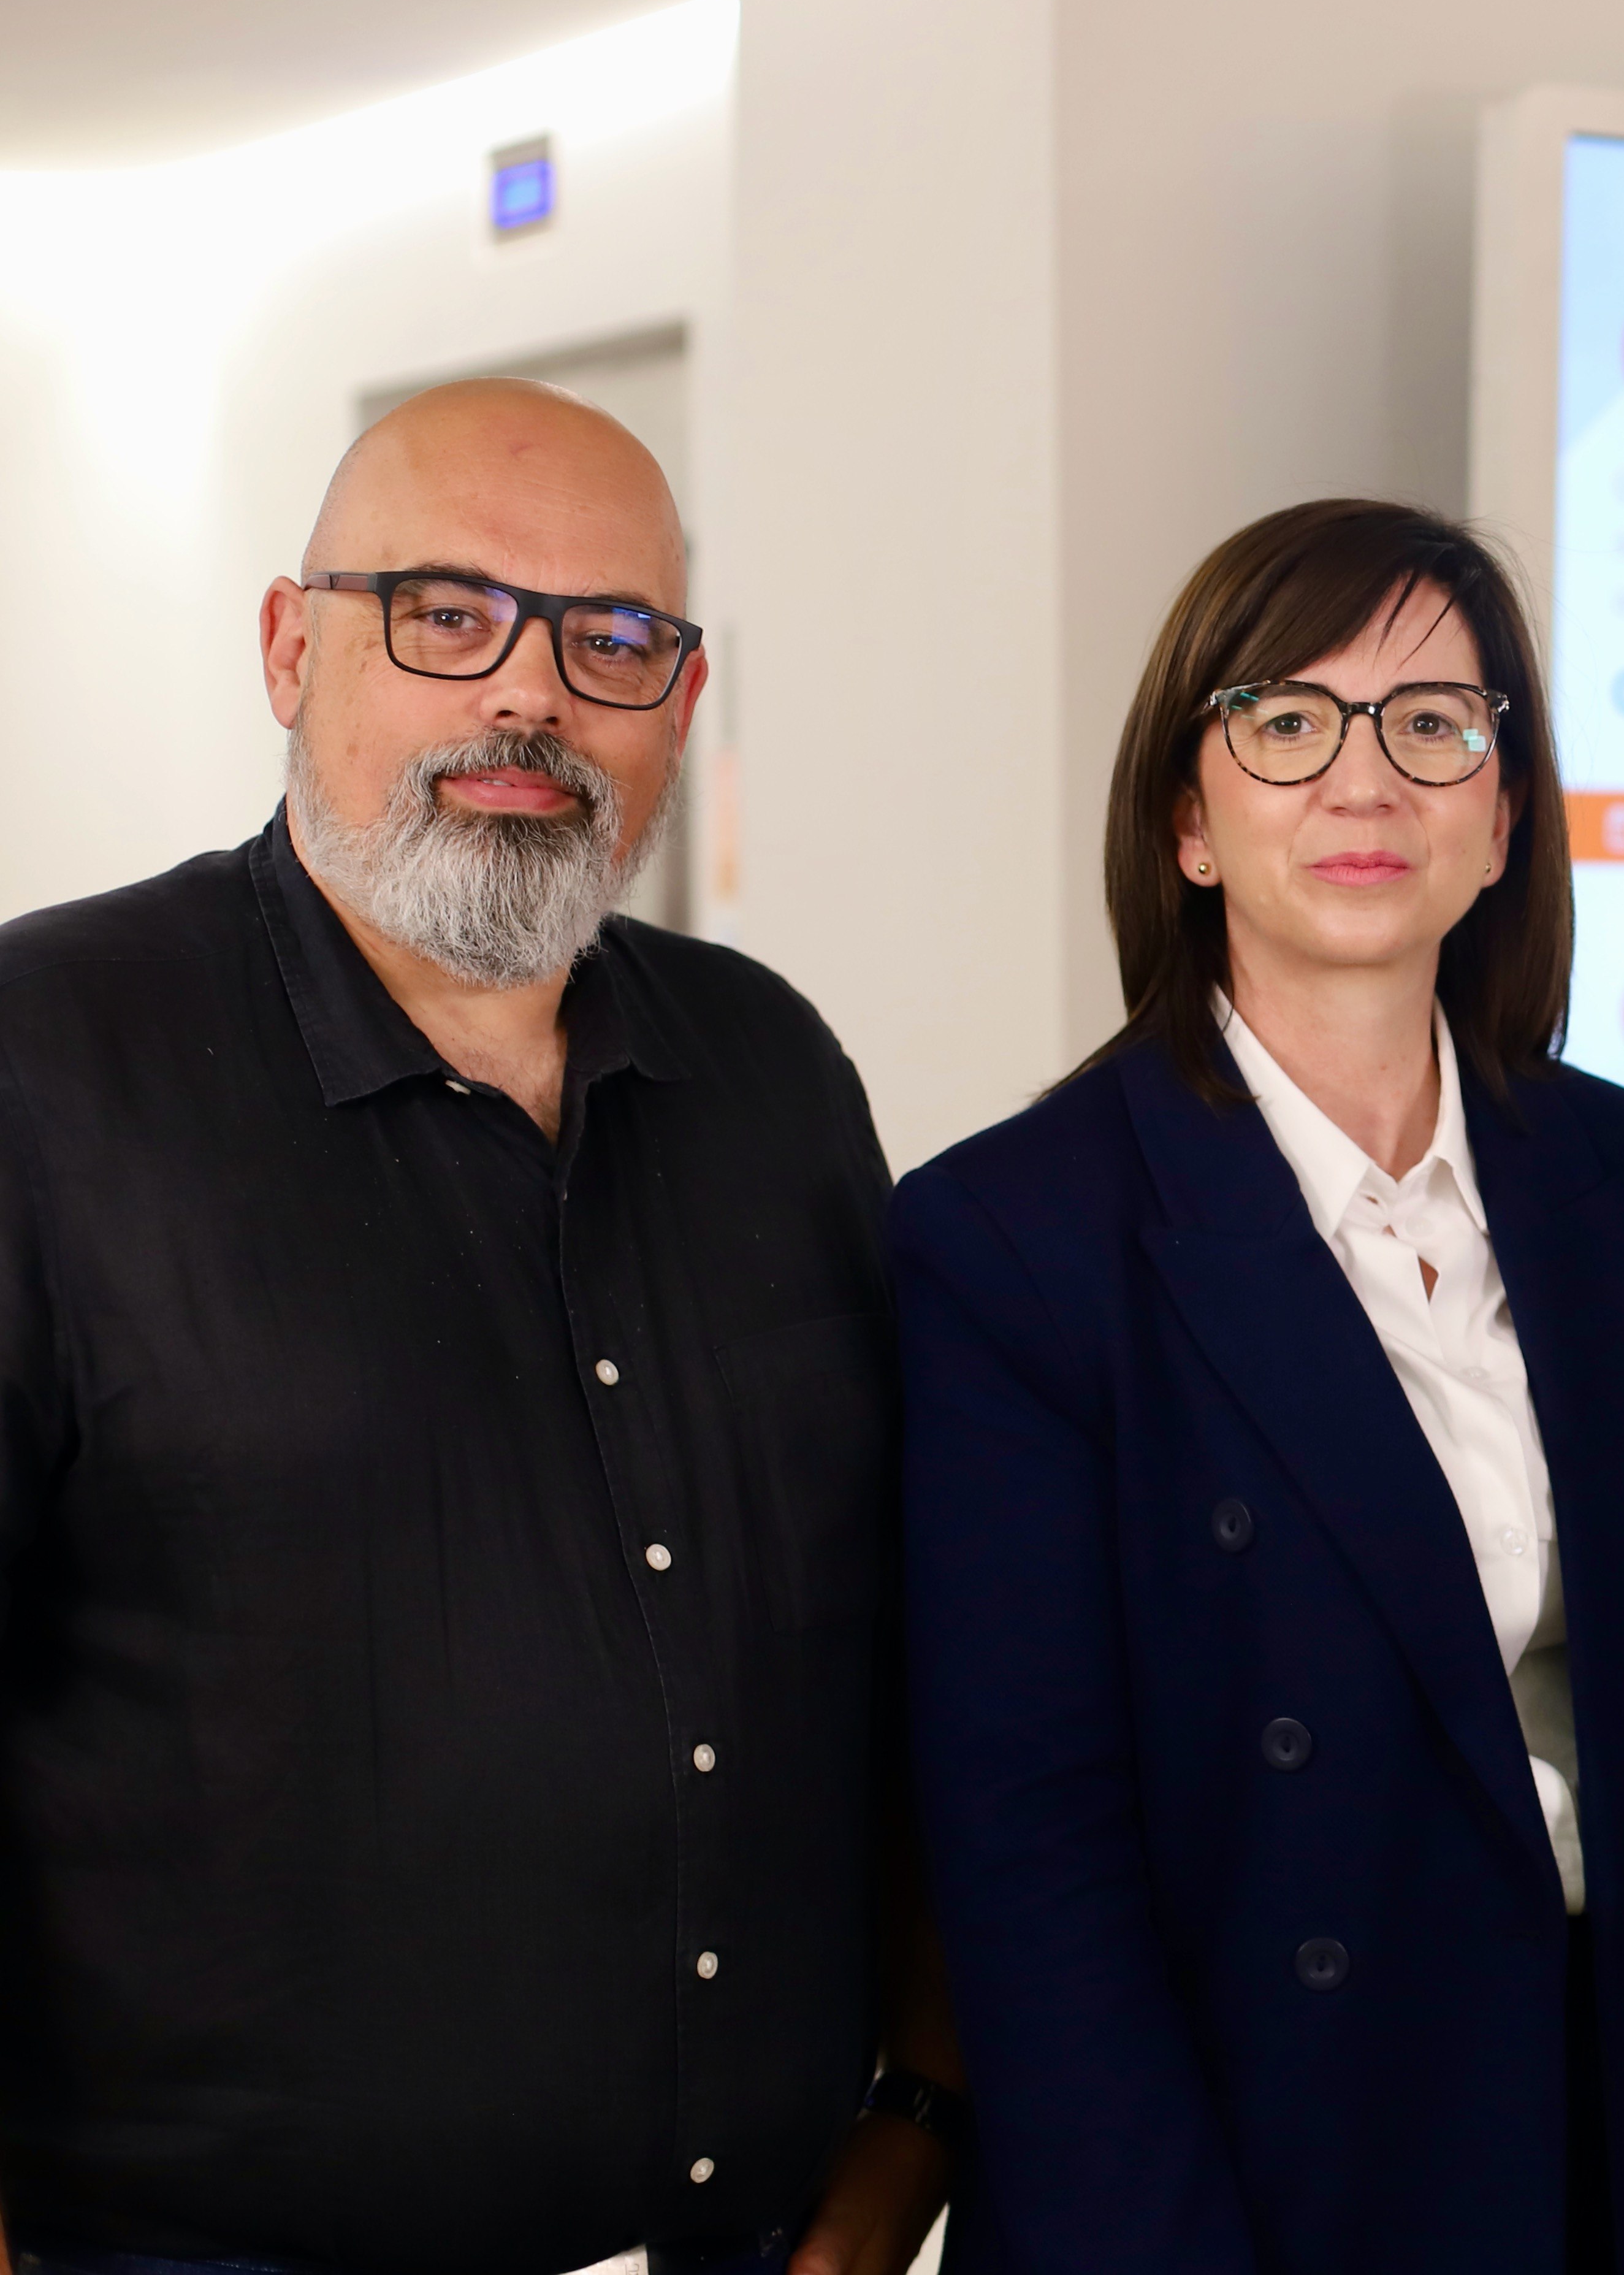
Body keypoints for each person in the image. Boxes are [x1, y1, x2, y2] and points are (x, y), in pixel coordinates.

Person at [0, 381, 958, 2274]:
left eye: (612, 637)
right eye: (445, 613)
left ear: (679, 706)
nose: (529, 696)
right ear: (292, 644)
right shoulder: (46, 1065)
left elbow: (902, 1659)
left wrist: (906, 2136)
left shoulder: (770, 1071)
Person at [893, 501, 1624, 2272]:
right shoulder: (1011, 1242)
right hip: (1244, 2162)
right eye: (1287, 719)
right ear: (1188, 816)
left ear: (1500, 814)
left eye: (1432, 724)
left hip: (1601, 2126)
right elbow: (1032, 1863)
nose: (1364, 779)